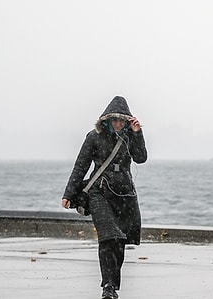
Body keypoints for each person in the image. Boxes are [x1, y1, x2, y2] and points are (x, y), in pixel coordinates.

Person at [62, 96, 147, 299]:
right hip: (99, 192)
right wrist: (69, 193)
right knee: (108, 236)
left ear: (127, 120)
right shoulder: (94, 137)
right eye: (114, 120)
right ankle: (107, 285)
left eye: (122, 120)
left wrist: (138, 133)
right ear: (107, 120)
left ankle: (113, 284)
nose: (118, 124)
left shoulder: (130, 136)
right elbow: (80, 165)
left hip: (125, 193)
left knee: (120, 239)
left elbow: (141, 158)